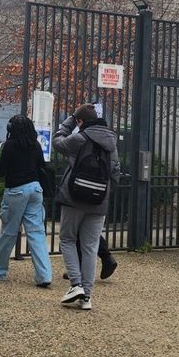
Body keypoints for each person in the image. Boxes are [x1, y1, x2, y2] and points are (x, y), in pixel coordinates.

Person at [53, 104, 120, 311]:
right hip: (99, 201)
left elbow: (58, 142)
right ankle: (87, 297)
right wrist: (102, 191)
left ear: (80, 122)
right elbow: (115, 172)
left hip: (74, 197)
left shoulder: (80, 138)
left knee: (67, 239)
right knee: (90, 247)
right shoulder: (111, 142)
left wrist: (70, 120)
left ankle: (76, 285)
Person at [0, 115, 53, 287]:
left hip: (15, 190)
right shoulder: (36, 145)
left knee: (9, 232)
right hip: (35, 189)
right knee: (37, 233)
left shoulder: (9, 145)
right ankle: (44, 275)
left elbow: (1, 171)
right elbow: (41, 167)